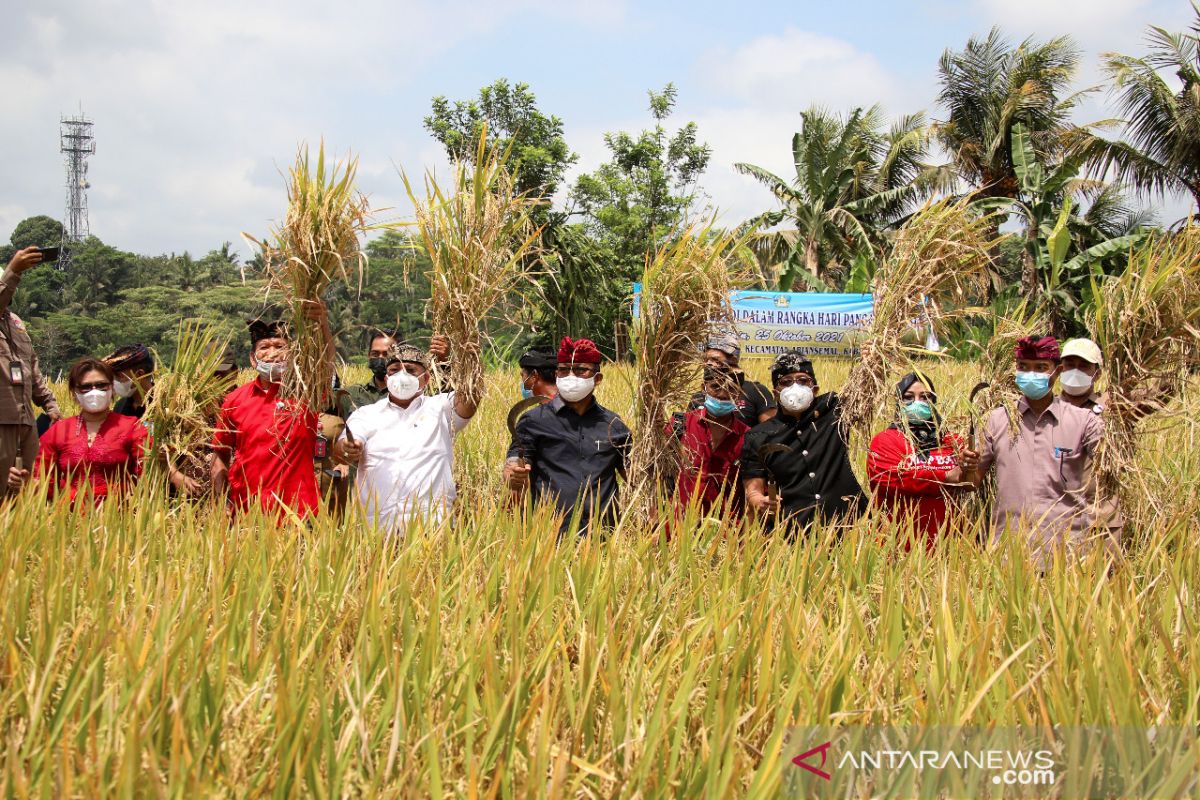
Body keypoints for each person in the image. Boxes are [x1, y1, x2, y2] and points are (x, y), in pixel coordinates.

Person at [973, 335, 1107, 565]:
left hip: (1067, 556)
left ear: (1057, 372)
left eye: (1040, 368)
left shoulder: (1086, 421)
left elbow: (1111, 471)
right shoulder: (996, 420)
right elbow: (971, 480)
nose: (1031, 374)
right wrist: (964, 465)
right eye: (1023, 367)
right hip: (1007, 553)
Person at [333, 339, 478, 529]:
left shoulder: (442, 408)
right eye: (394, 370)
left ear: (426, 379)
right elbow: (342, 446)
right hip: (377, 531)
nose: (402, 376)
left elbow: (470, 398)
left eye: (410, 370)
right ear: (386, 379)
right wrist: (347, 448)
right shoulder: (367, 414)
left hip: (432, 530)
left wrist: (471, 360)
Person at [210, 302, 333, 519]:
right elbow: (220, 453)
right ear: (252, 358)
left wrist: (321, 322)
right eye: (264, 347)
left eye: (279, 346)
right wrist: (221, 501)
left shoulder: (306, 393)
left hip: (300, 514)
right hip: (247, 513)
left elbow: (326, 363)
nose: (272, 353)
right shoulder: (234, 400)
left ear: (292, 354)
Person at [504, 336, 631, 534]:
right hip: (548, 542)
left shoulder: (613, 426)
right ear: (556, 375)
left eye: (580, 370)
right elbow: (514, 466)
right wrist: (514, 476)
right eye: (564, 370)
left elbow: (637, 478)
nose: (571, 376)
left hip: (603, 542)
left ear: (597, 379)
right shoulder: (532, 421)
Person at [741, 351, 866, 533]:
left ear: (814, 388)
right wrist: (759, 500)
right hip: (793, 533)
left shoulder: (836, 411)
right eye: (786, 382)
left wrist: (873, 354)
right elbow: (753, 488)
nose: (795, 386)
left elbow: (868, 387)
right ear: (776, 393)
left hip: (849, 527)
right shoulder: (759, 436)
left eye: (803, 380)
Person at [866, 373, 977, 546]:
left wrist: (967, 468)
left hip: (948, 547)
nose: (917, 403)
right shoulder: (885, 441)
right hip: (897, 546)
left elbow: (970, 485)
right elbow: (894, 478)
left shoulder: (953, 441)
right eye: (908, 397)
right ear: (898, 402)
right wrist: (946, 477)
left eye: (925, 397)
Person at [25, 358, 148, 503]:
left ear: (112, 388)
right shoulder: (59, 431)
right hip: (67, 519)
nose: (94, 391)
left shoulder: (131, 427)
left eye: (101, 385)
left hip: (121, 518)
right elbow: (41, 477)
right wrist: (25, 483)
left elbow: (147, 475)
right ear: (75, 392)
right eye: (86, 387)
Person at [2, 247, 62, 498]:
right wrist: (13, 271)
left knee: (26, 488)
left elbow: (31, 366)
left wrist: (49, 403)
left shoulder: (16, 323)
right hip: (1, 420)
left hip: (25, 421)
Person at [674, 366, 749, 520]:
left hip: (724, 531)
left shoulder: (748, 436)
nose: (722, 393)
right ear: (704, 387)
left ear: (739, 394)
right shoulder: (679, 423)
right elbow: (659, 472)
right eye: (716, 386)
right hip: (679, 526)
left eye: (731, 388)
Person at [687, 334, 776, 426]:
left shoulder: (756, 391)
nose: (709, 364)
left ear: (732, 360)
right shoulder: (697, 397)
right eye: (706, 360)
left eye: (715, 360)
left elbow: (770, 431)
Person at [103, 344, 154, 419]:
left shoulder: (167, 405)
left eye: (118, 375)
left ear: (140, 374)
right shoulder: (120, 406)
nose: (114, 381)